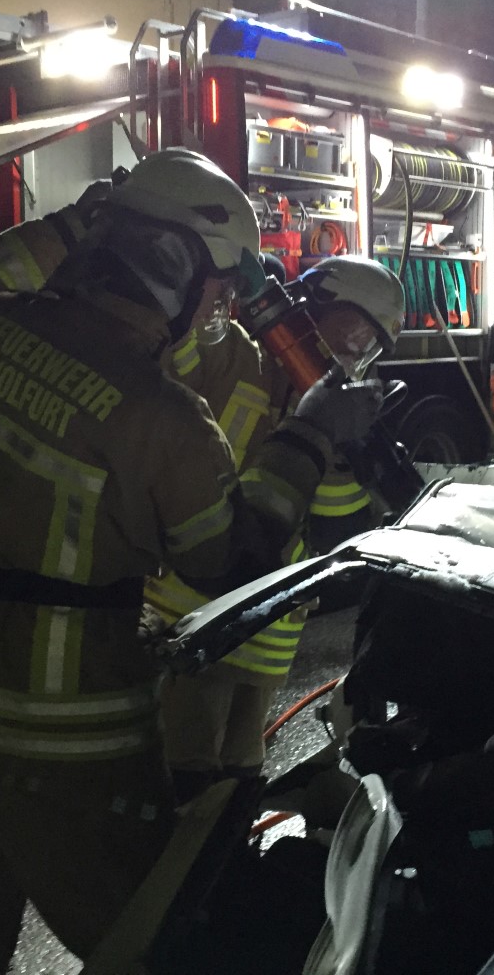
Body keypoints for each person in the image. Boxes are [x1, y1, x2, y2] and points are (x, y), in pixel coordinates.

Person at [0, 149, 383, 973]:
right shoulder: (166, 418)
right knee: (153, 938)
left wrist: (79, 219)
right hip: (66, 723)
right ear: (175, 267)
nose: (221, 309)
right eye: (217, 288)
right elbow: (231, 560)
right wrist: (311, 433)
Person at [152, 256, 405, 803]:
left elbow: (335, 532)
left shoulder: (337, 414)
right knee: (184, 774)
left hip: (268, 631)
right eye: (354, 332)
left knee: (239, 778)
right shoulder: (236, 356)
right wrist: (217, 279)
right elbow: (180, 347)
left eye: (372, 346)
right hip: (193, 614)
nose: (357, 352)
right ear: (311, 311)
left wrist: (346, 449)